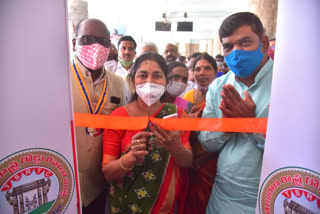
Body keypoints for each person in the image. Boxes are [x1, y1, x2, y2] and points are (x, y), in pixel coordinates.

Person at [198, 12, 273, 213]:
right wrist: (228, 127)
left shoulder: (287, 84)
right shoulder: (218, 87)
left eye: (245, 42)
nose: (236, 52)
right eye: (228, 47)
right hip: (223, 195)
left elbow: (298, 149)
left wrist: (251, 125)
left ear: (264, 43)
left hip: (270, 195)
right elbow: (206, 141)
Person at [102, 52, 193, 214]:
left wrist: (175, 147)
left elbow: (187, 161)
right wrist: (130, 157)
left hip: (164, 207)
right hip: (125, 206)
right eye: (143, 76)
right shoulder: (119, 116)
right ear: (132, 81)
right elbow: (108, 172)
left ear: (166, 83)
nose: (149, 82)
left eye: (157, 76)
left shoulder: (176, 114)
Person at [71, 18, 126, 214]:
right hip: (65, 180)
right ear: (74, 43)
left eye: (103, 42)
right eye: (87, 39)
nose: (96, 47)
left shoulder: (119, 84)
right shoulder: (58, 78)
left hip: (99, 184)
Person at [182, 53, 219, 214]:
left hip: (212, 160)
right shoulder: (188, 96)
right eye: (197, 69)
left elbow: (227, 131)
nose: (201, 73)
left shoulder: (221, 95)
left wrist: (204, 158)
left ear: (216, 71)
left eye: (207, 68)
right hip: (189, 158)